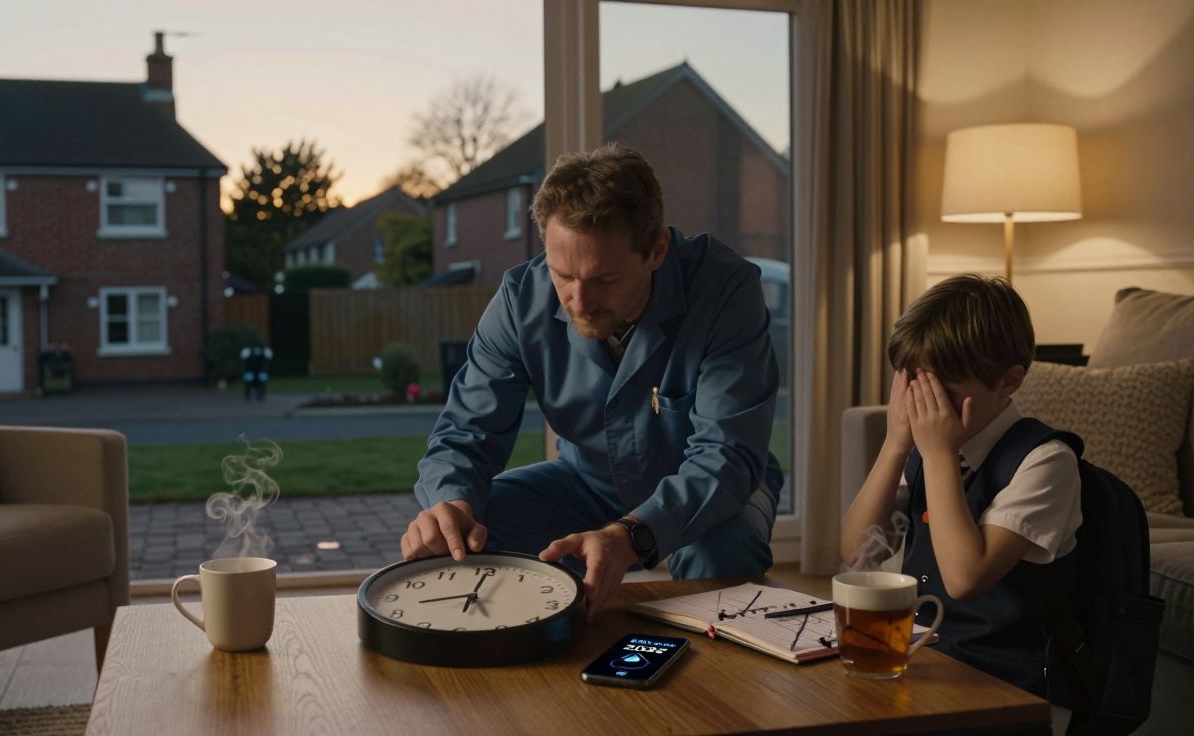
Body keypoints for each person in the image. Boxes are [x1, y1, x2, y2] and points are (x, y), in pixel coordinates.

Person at [401, 143, 784, 617]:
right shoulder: (521, 299)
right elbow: (466, 430)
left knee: (720, 557)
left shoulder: (727, 290)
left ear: (657, 250)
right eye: (564, 275)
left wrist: (632, 535)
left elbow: (727, 455)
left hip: (714, 489)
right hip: (586, 483)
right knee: (456, 542)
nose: (579, 302)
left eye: (605, 279)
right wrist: (452, 503)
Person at [840, 275, 1082, 714]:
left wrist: (938, 456)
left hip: (1004, 683)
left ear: (1008, 382)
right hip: (922, 658)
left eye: (943, 393)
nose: (923, 407)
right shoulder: (920, 452)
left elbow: (965, 579)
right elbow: (858, 553)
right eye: (914, 387)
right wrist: (896, 445)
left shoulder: (1046, 461)